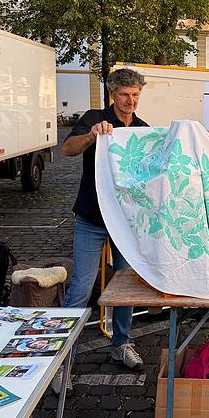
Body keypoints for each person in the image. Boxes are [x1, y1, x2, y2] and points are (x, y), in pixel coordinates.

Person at [60, 68, 149, 382]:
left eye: (136, 94)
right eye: (125, 94)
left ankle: (121, 343)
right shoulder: (95, 117)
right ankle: (62, 357)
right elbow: (67, 149)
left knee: (126, 287)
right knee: (81, 289)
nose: (130, 100)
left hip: (124, 223)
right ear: (113, 94)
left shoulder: (141, 129)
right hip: (92, 218)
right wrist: (91, 135)